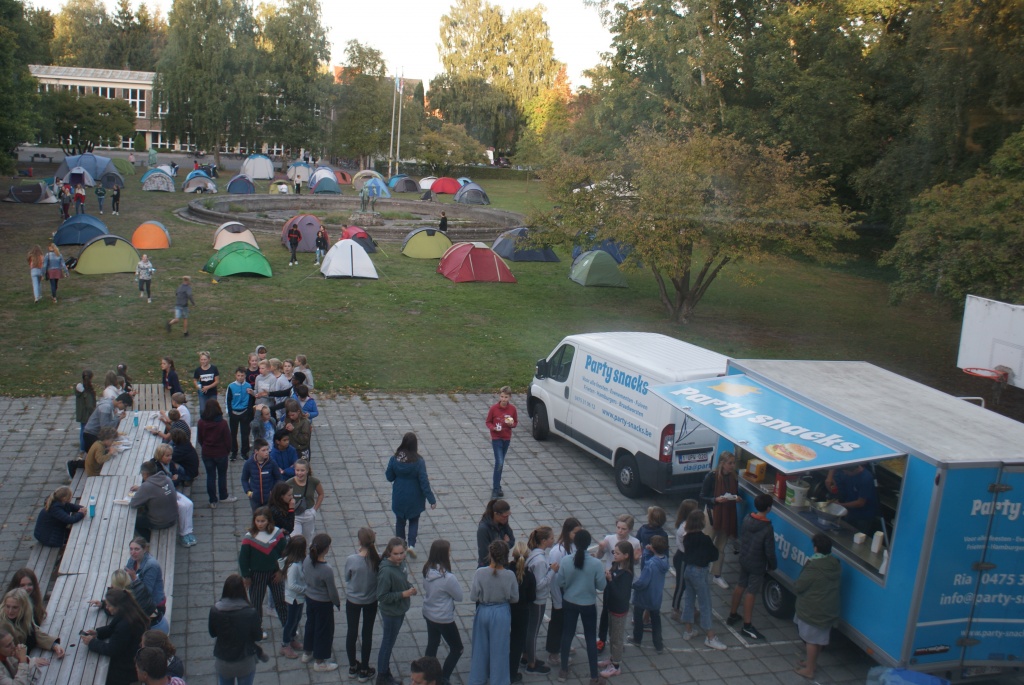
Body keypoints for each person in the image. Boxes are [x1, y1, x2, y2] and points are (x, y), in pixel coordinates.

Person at [556, 530, 605, 685]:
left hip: (569, 602)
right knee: (591, 638)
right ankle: (593, 677)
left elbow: (560, 582)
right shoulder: (596, 564)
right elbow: (601, 586)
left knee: (567, 634)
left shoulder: (565, 561)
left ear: (574, 543)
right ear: (589, 544)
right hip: (588, 604)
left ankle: (563, 670)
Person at [726, 493, 777, 640]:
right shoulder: (767, 528)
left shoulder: (747, 518)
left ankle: (733, 614)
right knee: (751, 592)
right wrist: (773, 565)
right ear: (768, 508)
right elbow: (769, 550)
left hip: (745, 558)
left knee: (740, 584)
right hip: (757, 563)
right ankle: (747, 626)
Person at [468, 539, 517, 685]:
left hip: (483, 610)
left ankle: (477, 680)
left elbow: (473, 596)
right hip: (501, 612)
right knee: (500, 650)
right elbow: (515, 598)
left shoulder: (480, 573)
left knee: (479, 649)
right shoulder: (509, 575)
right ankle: (499, 681)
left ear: (490, 554)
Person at [794, 533, 842, 679]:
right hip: (828, 609)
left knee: (811, 641)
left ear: (816, 548)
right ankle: (811, 663)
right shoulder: (835, 564)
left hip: (813, 610)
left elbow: (799, 587)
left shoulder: (814, 567)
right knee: (819, 639)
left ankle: (809, 670)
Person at [680, 511, 727, 650]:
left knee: (689, 599)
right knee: (705, 603)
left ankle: (688, 630)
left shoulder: (686, 537)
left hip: (688, 570)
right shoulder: (705, 539)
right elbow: (714, 554)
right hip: (700, 572)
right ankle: (710, 636)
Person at [81, 589, 150, 685]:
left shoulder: (125, 625)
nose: (107, 608)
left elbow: (112, 649)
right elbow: (112, 628)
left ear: (118, 606)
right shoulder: (128, 612)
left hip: (128, 668)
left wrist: (92, 642)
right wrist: (97, 633)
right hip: (130, 657)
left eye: (109, 605)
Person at [386, 432, 437, 559]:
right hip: (415, 496)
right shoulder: (419, 461)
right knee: (414, 520)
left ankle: (400, 546)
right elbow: (424, 482)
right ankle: (411, 545)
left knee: (400, 521)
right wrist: (431, 499)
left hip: (399, 495)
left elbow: (389, 476)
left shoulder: (395, 458)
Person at [239, 507, 288, 637]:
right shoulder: (249, 537)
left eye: (263, 521)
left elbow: (284, 553)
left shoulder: (277, 534)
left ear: (269, 521)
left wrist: (281, 571)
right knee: (256, 602)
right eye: (257, 521)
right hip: (257, 575)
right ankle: (257, 628)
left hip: (274, 573)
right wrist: (246, 576)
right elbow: (243, 559)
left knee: (281, 600)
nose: (260, 524)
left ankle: (287, 626)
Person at [595, 514, 640, 651]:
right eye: (618, 527)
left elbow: (635, 562)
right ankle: (602, 639)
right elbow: (599, 557)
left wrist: (636, 558)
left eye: (624, 529)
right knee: (606, 610)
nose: (620, 531)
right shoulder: (609, 539)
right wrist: (602, 548)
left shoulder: (635, 542)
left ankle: (617, 639)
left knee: (620, 610)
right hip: (610, 576)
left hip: (624, 577)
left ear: (630, 530)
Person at [422, 540, 464, 685]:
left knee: (432, 643)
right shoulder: (448, 578)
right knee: (457, 648)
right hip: (443, 618)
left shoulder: (426, 569)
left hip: (428, 612)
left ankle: (426, 675)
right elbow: (459, 597)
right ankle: (443, 678)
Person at [208, 574, 263, 685]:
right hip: (245, 662)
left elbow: (213, 633)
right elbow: (258, 636)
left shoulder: (215, 610)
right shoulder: (250, 612)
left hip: (224, 662)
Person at [377, 537, 417, 685]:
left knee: (390, 642)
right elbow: (382, 596)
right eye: (396, 554)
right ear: (389, 553)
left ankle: (385, 672)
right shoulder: (386, 572)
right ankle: (382, 676)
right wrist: (403, 594)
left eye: (402, 553)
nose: (400, 556)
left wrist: (409, 587)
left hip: (400, 609)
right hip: (391, 613)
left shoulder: (401, 564)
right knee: (387, 643)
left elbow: (402, 580)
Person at [344, 528, 380, 681]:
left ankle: (352, 666)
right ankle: (365, 668)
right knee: (367, 633)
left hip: (353, 600)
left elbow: (347, 577)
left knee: (352, 631)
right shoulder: (377, 560)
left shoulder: (352, 559)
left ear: (359, 541)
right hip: (370, 601)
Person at [700, 451, 739, 589]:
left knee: (721, 546)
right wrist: (715, 499)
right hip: (713, 513)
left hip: (727, 513)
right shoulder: (711, 477)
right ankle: (701, 569)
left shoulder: (734, 477)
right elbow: (702, 496)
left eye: (733, 463)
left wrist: (735, 498)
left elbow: (735, 493)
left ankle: (717, 574)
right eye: (730, 463)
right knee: (706, 542)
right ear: (722, 464)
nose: (732, 466)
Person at [303, 533, 341, 672]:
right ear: (326, 549)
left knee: (310, 625)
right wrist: (337, 602)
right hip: (323, 603)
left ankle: (307, 652)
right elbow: (332, 590)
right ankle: (320, 661)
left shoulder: (307, 560)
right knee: (323, 630)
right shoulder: (326, 569)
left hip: (310, 598)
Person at [545, 517, 580, 667]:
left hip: (571, 592)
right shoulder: (557, 551)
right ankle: (553, 652)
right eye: (575, 533)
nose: (577, 536)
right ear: (567, 532)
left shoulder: (575, 546)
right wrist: (557, 599)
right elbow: (554, 578)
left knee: (568, 622)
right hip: (560, 593)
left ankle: (563, 645)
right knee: (558, 622)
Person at [596, 540, 634, 678]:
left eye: (617, 553)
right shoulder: (616, 566)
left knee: (617, 639)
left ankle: (616, 665)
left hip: (618, 610)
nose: (614, 555)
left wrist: (610, 580)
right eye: (614, 552)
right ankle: (612, 658)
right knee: (612, 635)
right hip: (611, 607)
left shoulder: (626, 575)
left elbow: (620, 595)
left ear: (626, 555)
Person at [524, 527, 556, 675]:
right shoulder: (541, 560)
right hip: (538, 600)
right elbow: (540, 584)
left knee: (530, 628)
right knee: (533, 631)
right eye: (551, 538)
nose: (553, 540)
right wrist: (552, 572)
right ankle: (531, 662)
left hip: (532, 599)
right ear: (543, 541)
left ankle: (527, 656)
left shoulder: (534, 554)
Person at [0, 589, 63, 659]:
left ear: (23, 607)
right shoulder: (3, 625)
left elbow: (35, 633)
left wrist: (54, 645)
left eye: (15, 607)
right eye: (7, 606)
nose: (10, 611)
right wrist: (31, 661)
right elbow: (9, 653)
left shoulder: (23, 617)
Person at [509, 541, 537, 684]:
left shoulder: (507, 570)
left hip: (506, 610)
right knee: (516, 643)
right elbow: (532, 597)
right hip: (522, 612)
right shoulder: (529, 576)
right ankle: (512, 673)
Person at [199, 399, 235, 509]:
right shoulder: (222, 423)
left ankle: (212, 500)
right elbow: (228, 439)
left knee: (210, 476)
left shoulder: (201, 422)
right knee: (222, 475)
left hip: (207, 453)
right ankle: (223, 496)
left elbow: (200, 439)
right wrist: (227, 450)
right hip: (221, 453)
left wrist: (205, 447)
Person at [129, 460, 178, 541]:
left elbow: (133, 504)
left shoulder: (147, 486)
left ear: (145, 474)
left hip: (160, 522)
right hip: (173, 517)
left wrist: (141, 490)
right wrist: (141, 488)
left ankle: (150, 540)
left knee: (135, 522)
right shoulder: (167, 479)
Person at [124, 537, 167, 627]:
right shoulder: (132, 560)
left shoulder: (151, 565)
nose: (133, 552)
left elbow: (147, 591)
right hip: (138, 598)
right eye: (131, 549)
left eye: (137, 549)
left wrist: (134, 578)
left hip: (153, 605)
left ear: (144, 549)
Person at [826, 464, 879, 534]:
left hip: (863, 515)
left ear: (854, 470)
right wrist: (830, 478)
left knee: (857, 535)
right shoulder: (849, 472)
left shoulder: (866, 479)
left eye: (846, 472)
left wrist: (841, 504)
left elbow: (860, 503)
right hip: (850, 510)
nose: (845, 473)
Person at [485, 386, 518, 498]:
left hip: (506, 438)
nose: (503, 399)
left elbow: (515, 423)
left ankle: (498, 487)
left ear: (510, 397)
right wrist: (493, 428)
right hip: (496, 438)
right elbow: (488, 422)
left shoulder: (512, 409)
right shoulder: (494, 409)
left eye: (506, 397)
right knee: (499, 462)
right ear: (499, 396)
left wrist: (511, 424)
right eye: (502, 397)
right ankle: (495, 488)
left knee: (501, 463)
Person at [670, 498, 699, 620]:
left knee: (691, 584)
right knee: (681, 585)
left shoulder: (690, 525)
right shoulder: (685, 529)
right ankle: (675, 609)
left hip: (688, 558)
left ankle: (690, 607)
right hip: (683, 558)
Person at [280, 535, 307, 659]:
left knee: (297, 618)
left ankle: (291, 639)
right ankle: (285, 644)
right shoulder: (294, 566)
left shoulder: (297, 561)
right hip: (294, 598)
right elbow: (291, 585)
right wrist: (305, 590)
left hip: (298, 598)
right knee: (290, 621)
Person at [241, 438, 282, 511]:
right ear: (256, 451)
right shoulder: (249, 463)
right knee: (256, 517)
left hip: (269, 499)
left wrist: (273, 491)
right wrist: (248, 492)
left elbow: (278, 478)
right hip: (255, 499)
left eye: (267, 449)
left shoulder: (272, 462)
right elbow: (244, 479)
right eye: (263, 450)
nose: (267, 452)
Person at [288, 459, 324, 538]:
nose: (299, 473)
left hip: (308, 513)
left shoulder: (314, 481)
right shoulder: (289, 483)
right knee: (295, 538)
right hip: (295, 514)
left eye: (302, 470)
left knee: (308, 539)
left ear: (307, 470)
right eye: (297, 470)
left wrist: (314, 510)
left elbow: (321, 494)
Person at [226, 367, 255, 461]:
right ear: (235, 375)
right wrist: (230, 412)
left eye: (242, 375)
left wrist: (249, 411)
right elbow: (228, 400)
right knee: (233, 434)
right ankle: (234, 452)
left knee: (245, 434)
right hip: (234, 413)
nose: (240, 377)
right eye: (238, 375)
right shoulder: (231, 386)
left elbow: (251, 399)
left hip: (245, 413)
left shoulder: (249, 386)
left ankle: (244, 452)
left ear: (245, 376)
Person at [476, 499, 514, 567]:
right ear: (496, 514)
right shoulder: (483, 529)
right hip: (487, 566)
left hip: (502, 564)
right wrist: (505, 544)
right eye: (505, 516)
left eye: (508, 515)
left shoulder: (504, 524)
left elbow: (512, 540)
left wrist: (505, 545)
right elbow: (484, 553)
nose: (507, 518)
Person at [74, 368, 97, 452]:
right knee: (85, 430)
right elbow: (90, 405)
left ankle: (83, 447)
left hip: (82, 413)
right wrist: (95, 412)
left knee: (83, 429)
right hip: (86, 414)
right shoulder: (87, 392)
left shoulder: (80, 388)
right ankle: (83, 448)